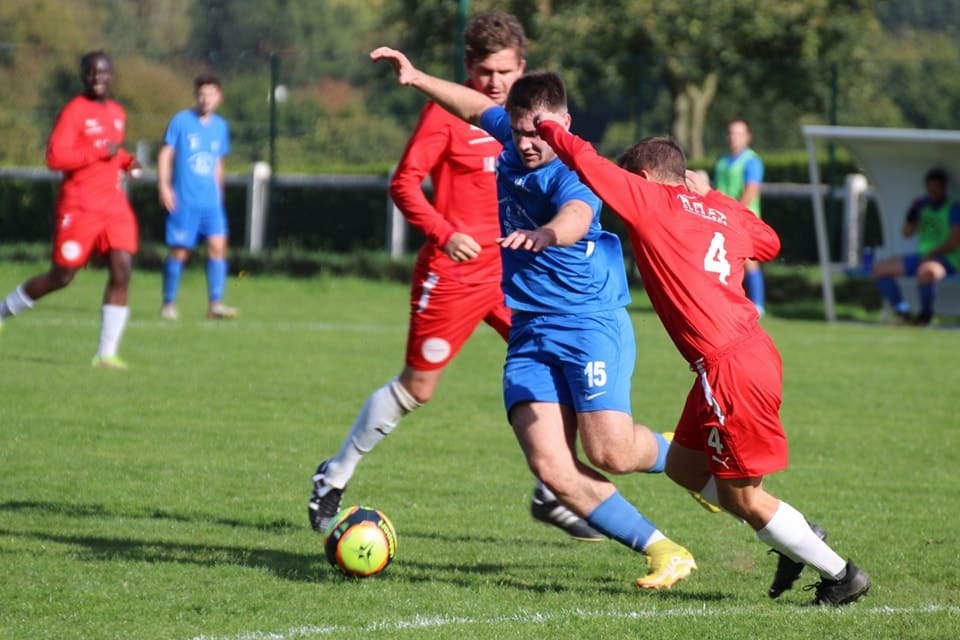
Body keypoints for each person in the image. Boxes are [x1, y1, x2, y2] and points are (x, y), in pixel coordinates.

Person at [370, 46, 696, 590]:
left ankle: (684, 456)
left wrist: (545, 235)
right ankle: (664, 549)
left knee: (610, 452)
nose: (525, 144)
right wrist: (418, 77)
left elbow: (574, 217)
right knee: (551, 468)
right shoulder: (516, 135)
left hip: (589, 324)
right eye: (519, 133)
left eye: (537, 134)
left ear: (563, 124)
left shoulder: (575, 170)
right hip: (530, 330)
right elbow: (476, 108)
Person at [534, 117, 871, 605]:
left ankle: (840, 573)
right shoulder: (719, 210)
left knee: (745, 499)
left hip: (728, 367)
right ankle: (788, 534)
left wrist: (546, 124)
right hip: (741, 356)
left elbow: (586, 160)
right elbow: (770, 243)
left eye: (632, 184)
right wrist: (713, 201)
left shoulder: (651, 202)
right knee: (686, 468)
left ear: (646, 179)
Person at [309, 13, 602, 542]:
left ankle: (555, 490)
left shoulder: (531, 123)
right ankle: (333, 474)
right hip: (456, 272)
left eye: (505, 70)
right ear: (469, 68)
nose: (495, 81)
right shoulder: (448, 116)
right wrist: (445, 233)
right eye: (485, 70)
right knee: (417, 388)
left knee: (564, 369)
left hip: (517, 273)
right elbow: (403, 185)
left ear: (522, 68)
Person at [0, 50, 140, 369]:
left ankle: (106, 354)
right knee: (62, 276)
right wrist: (98, 150)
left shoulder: (118, 112)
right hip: (79, 205)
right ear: (84, 76)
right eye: (91, 72)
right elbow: (55, 158)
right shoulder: (73, 112)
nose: (98, 78)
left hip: (113, 205)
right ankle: (1, 312)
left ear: (112, 75)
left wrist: (127, 161)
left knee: (123, 269)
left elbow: (112, 154)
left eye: (103, 72)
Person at [157, 74, 237, 320]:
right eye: (201, 94)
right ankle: (168, 303)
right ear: (196, 96)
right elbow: (165, 154)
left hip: (210, 202)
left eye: (211, 94)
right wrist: (164, 187)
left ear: (219, 97)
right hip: (185, 200)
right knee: (180, 251)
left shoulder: (220, 127)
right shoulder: (181, 121)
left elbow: (217, 163)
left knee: (218, 248)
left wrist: (220, 193)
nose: (206, 99)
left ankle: (215, 303)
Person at [872, 168, 960, 326]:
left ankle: (924, 316)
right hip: (922, 256)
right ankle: (902, 312)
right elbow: (906, 233)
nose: (932, 192)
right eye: (930, 188)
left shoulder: (953, 208)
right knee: (880, 269)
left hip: (947, 259)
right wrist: (912, 213)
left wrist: (932, 253)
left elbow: (955, 240)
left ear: (944, 188)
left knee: (926, 272)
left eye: (936, 188)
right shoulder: (922, 207)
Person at [714, 119, 766, 316]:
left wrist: (736, 213)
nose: (733, 137)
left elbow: (751, 189)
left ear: (747, 137)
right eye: (731, 133)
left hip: (744, 219)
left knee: (747, 260)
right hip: (721, 218)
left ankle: (758, 304)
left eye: (738, 133)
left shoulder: (752, 161)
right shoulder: (722, 161)